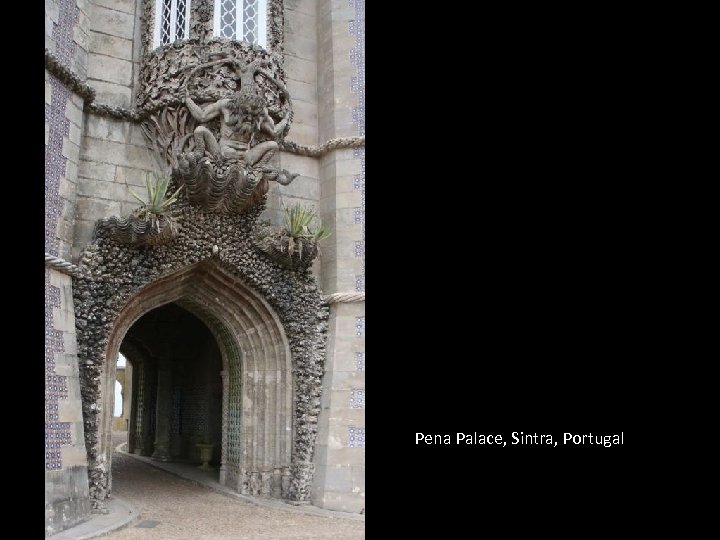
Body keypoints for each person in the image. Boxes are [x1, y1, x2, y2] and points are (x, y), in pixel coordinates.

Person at [184, 88, 289, 167]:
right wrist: (187, 99)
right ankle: (199, 154)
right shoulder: (226, 106)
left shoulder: (261, 115)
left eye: (253, 115)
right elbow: (202, 116)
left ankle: (260, 167)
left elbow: (274, 132)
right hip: (221, 153)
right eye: (246, 113)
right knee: (199, 130)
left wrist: (286, 119)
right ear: (238, 107)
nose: (249, 117)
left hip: (247, 157)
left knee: (273, 145)